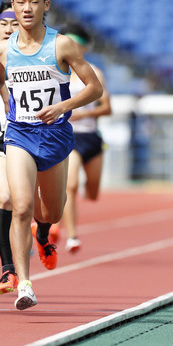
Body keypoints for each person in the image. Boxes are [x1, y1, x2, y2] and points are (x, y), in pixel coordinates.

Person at [0, 0, 103, 310]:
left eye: (33, 2)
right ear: (13, 6)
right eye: (20, 2)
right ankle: (24, 284)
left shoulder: (62, 44)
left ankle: (44, 234)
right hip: (20, 134)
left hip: (55, 136)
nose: (26, 9)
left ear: (46, 5)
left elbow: (94, 88)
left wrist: (64, 105)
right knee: (21, 205)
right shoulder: (2, 48)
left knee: (51, 211)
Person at [60, 25, 111, 254]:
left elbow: (107, 108)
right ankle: (71, 235)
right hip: (68, 137)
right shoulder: (57, 71)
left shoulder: (95, 73)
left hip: (91, 137)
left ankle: (59, 216)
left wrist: (84, 113)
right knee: (70, 185)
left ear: (84, 47)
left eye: (77, 44)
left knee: (92, 193)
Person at [0, 0, 22, 294]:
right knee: (6, 198)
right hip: (2, 140)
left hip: (35, 141)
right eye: (3, 22)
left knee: (42, 211)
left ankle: (44, 231)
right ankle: (8, 271)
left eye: (15, 22)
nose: (9, 27)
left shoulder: (41, 54)